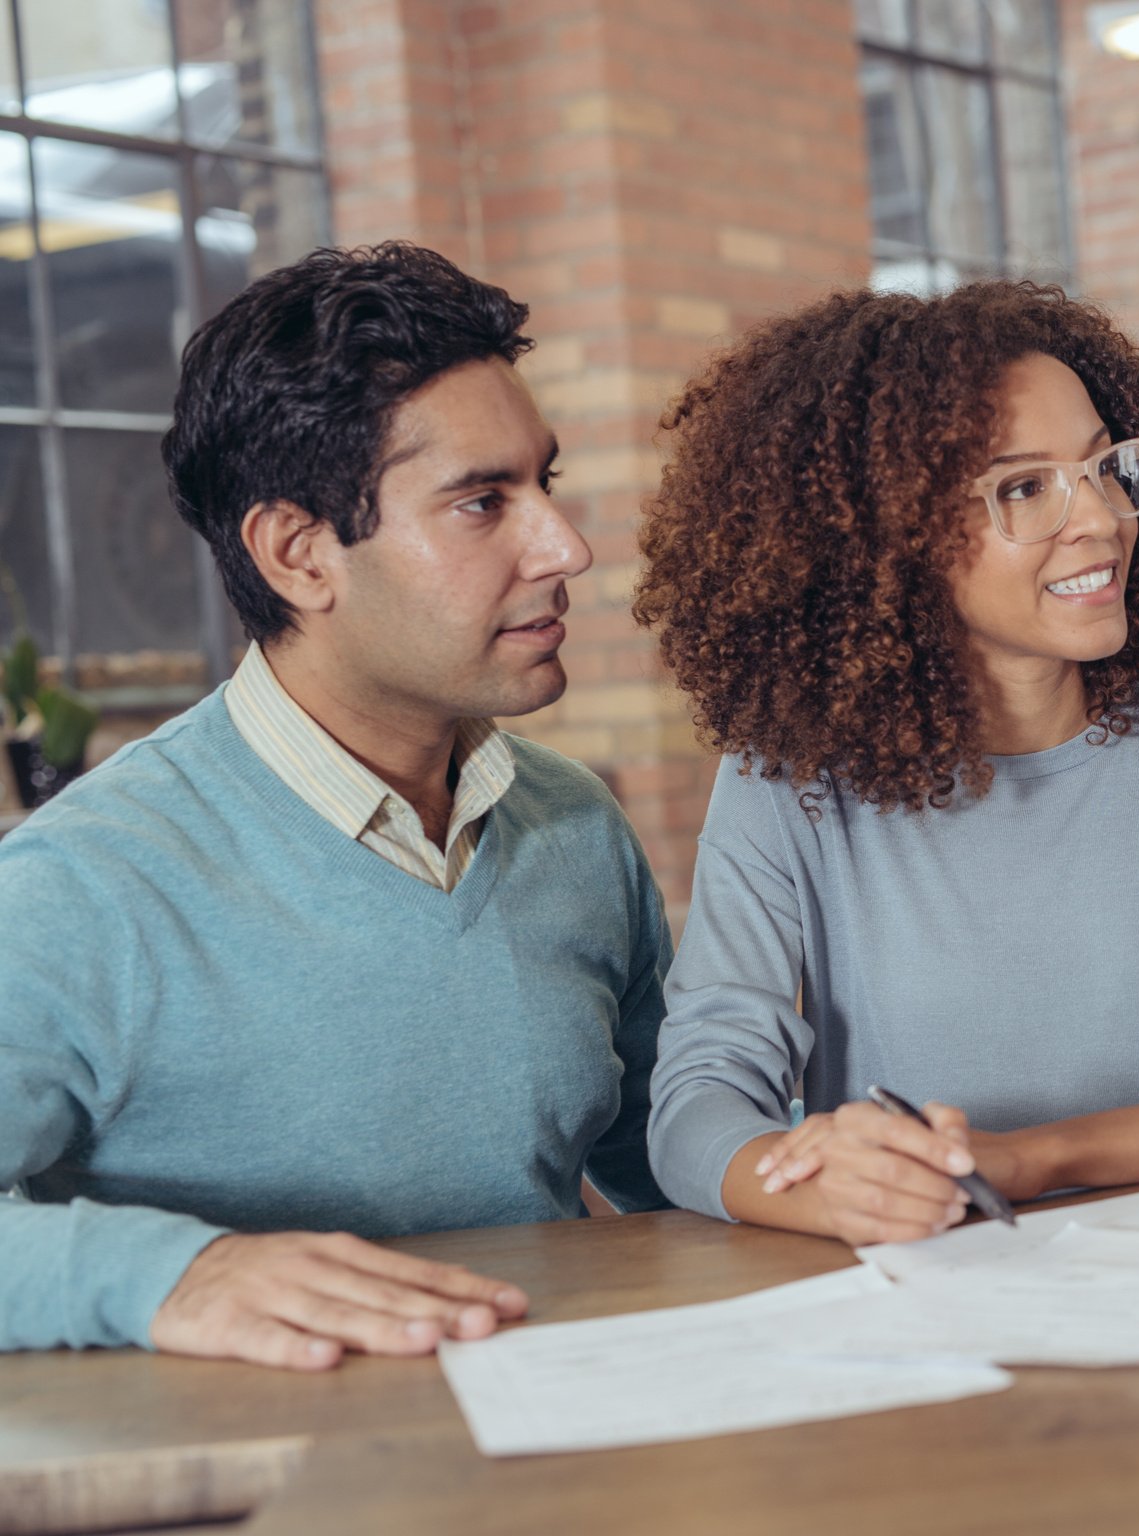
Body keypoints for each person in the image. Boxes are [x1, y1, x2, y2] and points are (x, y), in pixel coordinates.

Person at [0, 243, 671, 1370]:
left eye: (541, 485)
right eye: (479, 503)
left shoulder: (573, 825)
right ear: (300, 554)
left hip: (573, 1440)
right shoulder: (82, 885)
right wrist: (176, 1273)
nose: (565, 548)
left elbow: (672, 1157)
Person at [636, 282, 1139, 1246]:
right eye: (1023, 488)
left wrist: (1033, 1159)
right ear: (888, 540)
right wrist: (813, 1179)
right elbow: (697, 1107)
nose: (1096, 519)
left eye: (1103, 467)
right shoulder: (788, 780)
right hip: (941, 1303)